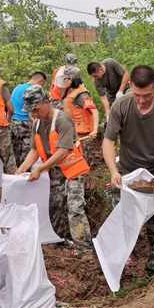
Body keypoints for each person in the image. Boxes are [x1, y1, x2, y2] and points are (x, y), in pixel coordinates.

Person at [102, 65, 154, 274]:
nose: (141, 100)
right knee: (123, 218)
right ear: (130, 86)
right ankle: (125, 258)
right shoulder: (121, 106)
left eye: (146, 95)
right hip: (127, 172)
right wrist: (113, 171)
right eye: (137, 95)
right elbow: (108, 142)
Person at [16, 86, 91, 247]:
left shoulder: (62, 120)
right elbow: (35, 150)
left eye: (35, 110)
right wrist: (22, 169)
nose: (33, 114)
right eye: (31, 111)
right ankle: (58, 239)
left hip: (73, 170)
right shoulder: (37, 124)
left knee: (75, 207)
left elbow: (63, 151)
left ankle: (83, 246)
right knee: (55, 205)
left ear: (45, 103)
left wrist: (40, 169)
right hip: (55, 171)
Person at [52, 66, 99, 245]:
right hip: (72, 139)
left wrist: (94, 129)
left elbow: (93, 110)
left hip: (82, 138)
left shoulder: (80, 94)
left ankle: (83, 240)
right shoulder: (67, 94)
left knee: (76, 181)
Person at [10, 71, 47, 166]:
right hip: (25, 124)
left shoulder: (17, 88)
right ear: (40, 81)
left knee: (15, 153)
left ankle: (16, 175)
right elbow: (32, 111)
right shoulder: (32, 91)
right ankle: (24, 175)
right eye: (42, 84)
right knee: (26, 154)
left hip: (13, 123)